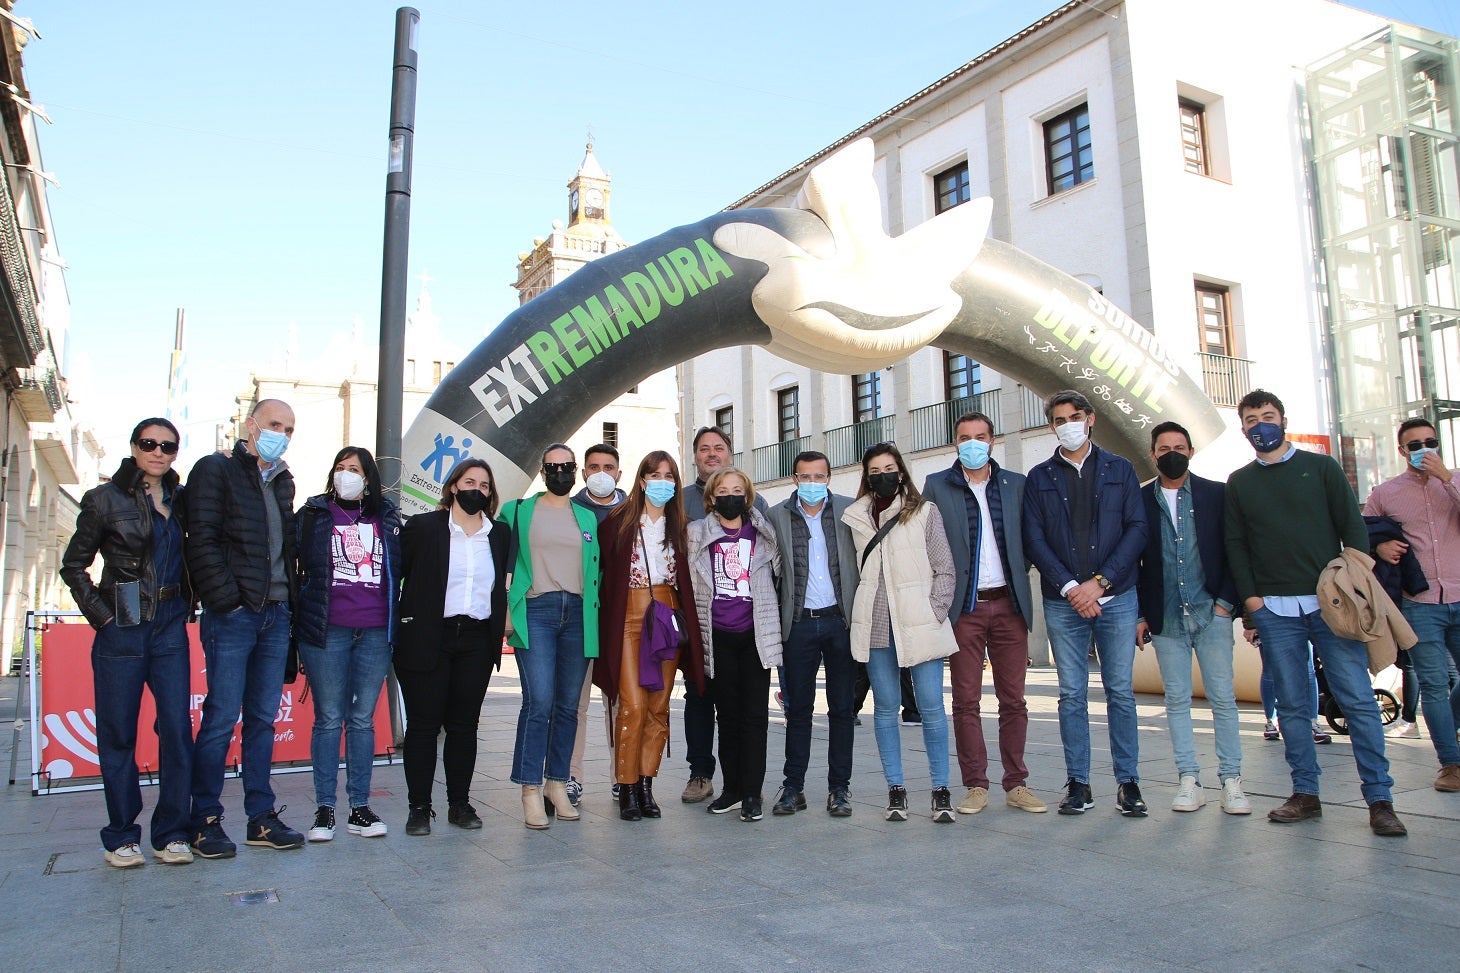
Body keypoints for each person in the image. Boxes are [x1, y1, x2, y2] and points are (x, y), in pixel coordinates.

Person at [1225, 389, 1405, 836]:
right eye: (1251, 419)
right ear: (1243, 427)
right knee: (1292, 706)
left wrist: (1348, 583)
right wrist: (1252, 603)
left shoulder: (1321, 468)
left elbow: (1354, 532)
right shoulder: (1239, 482)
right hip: (1275, 612)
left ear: (1283, 420)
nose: (1259, 425)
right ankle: (1305, 793)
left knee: (1358, 700)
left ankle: (1380, 799)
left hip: (1332, 609)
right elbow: (1235, 544)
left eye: (1267, 416)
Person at [60, 418, 195, 867]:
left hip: (170, 625)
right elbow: (73, 566)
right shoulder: (103, 500)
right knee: (118, 732)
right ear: (134, 447)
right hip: (123, 625)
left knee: (176, 728)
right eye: (149, 443)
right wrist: (101, 616)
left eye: (168, 446)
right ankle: (120, 835)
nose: (158, 451)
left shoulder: (183, 501)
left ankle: (173, 832)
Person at [1022, 390, 1148, 817]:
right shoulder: (1039, 477)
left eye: (1075, 416)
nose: (1068, 424)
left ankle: (1128, 783)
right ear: (1051, 426)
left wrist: (1100, 582)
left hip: (1117, 596)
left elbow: (1136, 529)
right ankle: (1078, 783)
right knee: (1071, 693)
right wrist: (1072, 587)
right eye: (1059, 419)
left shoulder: (1121, 469)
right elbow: (1034, 539)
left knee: (1120, 693)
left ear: (1090, 419)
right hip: (1064, 602)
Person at [185, 398, 303, 856]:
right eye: (275, 424)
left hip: (276, 615)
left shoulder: (283, 481)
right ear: (250, 424)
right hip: (234, 615)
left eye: (289, 428)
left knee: (261, 720)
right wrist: (226, 601)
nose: (281, 433)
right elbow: (203, 538)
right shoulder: (216, 470)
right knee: (219, 719)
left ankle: (261, 818)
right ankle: (205, 820)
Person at [922, 412, 1046, 815]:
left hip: (1009, 604)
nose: (973, 443)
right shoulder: (937, 486)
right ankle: (975, 784)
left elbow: (1031, 538)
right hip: (965, 609)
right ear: (954, 443)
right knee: (965, 701)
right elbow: (929, 545)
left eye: (980, 437)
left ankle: (1017, 783)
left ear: (992, 441)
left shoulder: (1016, 484)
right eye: (965, 437)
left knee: (1014, 700)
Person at [1133, 421, 1250, 814]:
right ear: (1153, 454)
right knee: (1177, 700)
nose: (1172, 453)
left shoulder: (1217, 494)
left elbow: (1236, 549)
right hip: (1165, 618)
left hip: (1211, 612)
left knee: (1223, 698)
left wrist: (1225, 604)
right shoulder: (1140, 499)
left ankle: (1232, 781)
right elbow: (1135, 560)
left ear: (1191, 451)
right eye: (1163, 447)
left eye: (1179, 446)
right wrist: (1139, 614)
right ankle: (1189, 779)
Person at [843, 442, 958, 823]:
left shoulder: (924, 511)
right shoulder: (855, 516)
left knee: (931, 707)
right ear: (866, 476)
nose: (883, 475)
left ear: (902, 470)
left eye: (889, 467)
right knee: (886, 709)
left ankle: (941, 788)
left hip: (919, 621)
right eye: (875, 470)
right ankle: (896, 788)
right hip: (876, 624)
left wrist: (935, 610)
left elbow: (945, 568)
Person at [394, 458, 509, 835]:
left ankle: (459, 803)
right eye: (470, 481)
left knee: (464, 726)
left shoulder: (499, 534)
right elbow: (400, 575)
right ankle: (419, 807)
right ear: (454, 486)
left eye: (485, 485)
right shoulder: (423, 527)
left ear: (491, 494)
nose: (477, 488)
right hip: (428, 637)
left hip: (476, 640)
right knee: (424, 726)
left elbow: (500, 586)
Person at [295, 446, 401, 841]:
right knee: (327, 718)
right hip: (327, 630)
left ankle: (359, 807)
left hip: (375, 631)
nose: (346, 474)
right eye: (340, 468)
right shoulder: (312, 514)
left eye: (354, 469)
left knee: (361, 719)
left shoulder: (387, 516)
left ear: (368, 477)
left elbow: (402, 567)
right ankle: (325, 809)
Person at [594, 450, 707, 821]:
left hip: (667, 615)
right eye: (654, 475)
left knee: (659, 706)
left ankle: (646, 785)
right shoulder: (617, 522)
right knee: (633, 705)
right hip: (628, 615)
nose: (662, 482)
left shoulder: (682, 527)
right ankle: (625, 786)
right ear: (641, 480)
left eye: (669, 476)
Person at [498, 444, 601, 828]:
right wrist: (506, 610)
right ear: (543, 472)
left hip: (577, 614)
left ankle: (557, 783)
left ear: (576, 471)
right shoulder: (517, 511)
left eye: (567, 466)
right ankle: (529, 789)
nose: (561, 472)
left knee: (568, 705)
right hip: (536, 610)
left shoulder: (587, 518)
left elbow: (597, 572)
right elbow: (502, 566)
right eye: (553, 466)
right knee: (539, 701)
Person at [1363, 416, 1460, 793]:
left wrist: (1447, 479)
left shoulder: (1455, 481)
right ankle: (1450, 763)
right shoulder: (1386, 493)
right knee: (1433, 684)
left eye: (1429, 442)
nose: (1423, 450)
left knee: (1443, 691)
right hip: (1419, 604)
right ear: (1402, 451)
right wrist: (1379, 546)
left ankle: (1446, 726)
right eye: (1415, 445)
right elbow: (1359, 533)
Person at [766, 450, 860, 817]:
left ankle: (839, 789)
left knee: (842, 710)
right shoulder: (776, 516)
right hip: (799, 624)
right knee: (798, 710)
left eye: (819, 476)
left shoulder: (850, 512)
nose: (812, 484)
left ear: (829, 478)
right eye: (805, 477)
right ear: (794, 479)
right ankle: (793, 787)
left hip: (840, 622)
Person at [688, 468, 782, 822]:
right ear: (711, 497)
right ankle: (731, 788)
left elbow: (779, 574)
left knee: (755, 717)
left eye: (737, 490)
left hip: (755, 637)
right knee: (726, 716)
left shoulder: (764, 532)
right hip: (717, 636)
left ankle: (752, 792)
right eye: (723, 490)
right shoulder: (696, 533)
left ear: (748, 496)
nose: (731, 495)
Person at [679, 426, 767, 804]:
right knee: (702, 699)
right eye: (703, 449)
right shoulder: (681, 503)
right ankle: (701, 773)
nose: (711, 454)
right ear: (695, 456)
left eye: (718, 448)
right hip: (703, 626)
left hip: (749, 632)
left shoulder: (758, 510)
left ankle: (748, 788)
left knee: (746, 711)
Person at [566, 443, 627, 805]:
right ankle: (571, 776)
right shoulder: (569, 510)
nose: (601, 472)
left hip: (619, 620)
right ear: (584, 473)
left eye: (608, 466)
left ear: (619, 473)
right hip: (580, 618)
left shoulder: (632, 511)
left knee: (618, 703)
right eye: (594, 467)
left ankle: (622, 776)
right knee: (575, 703)